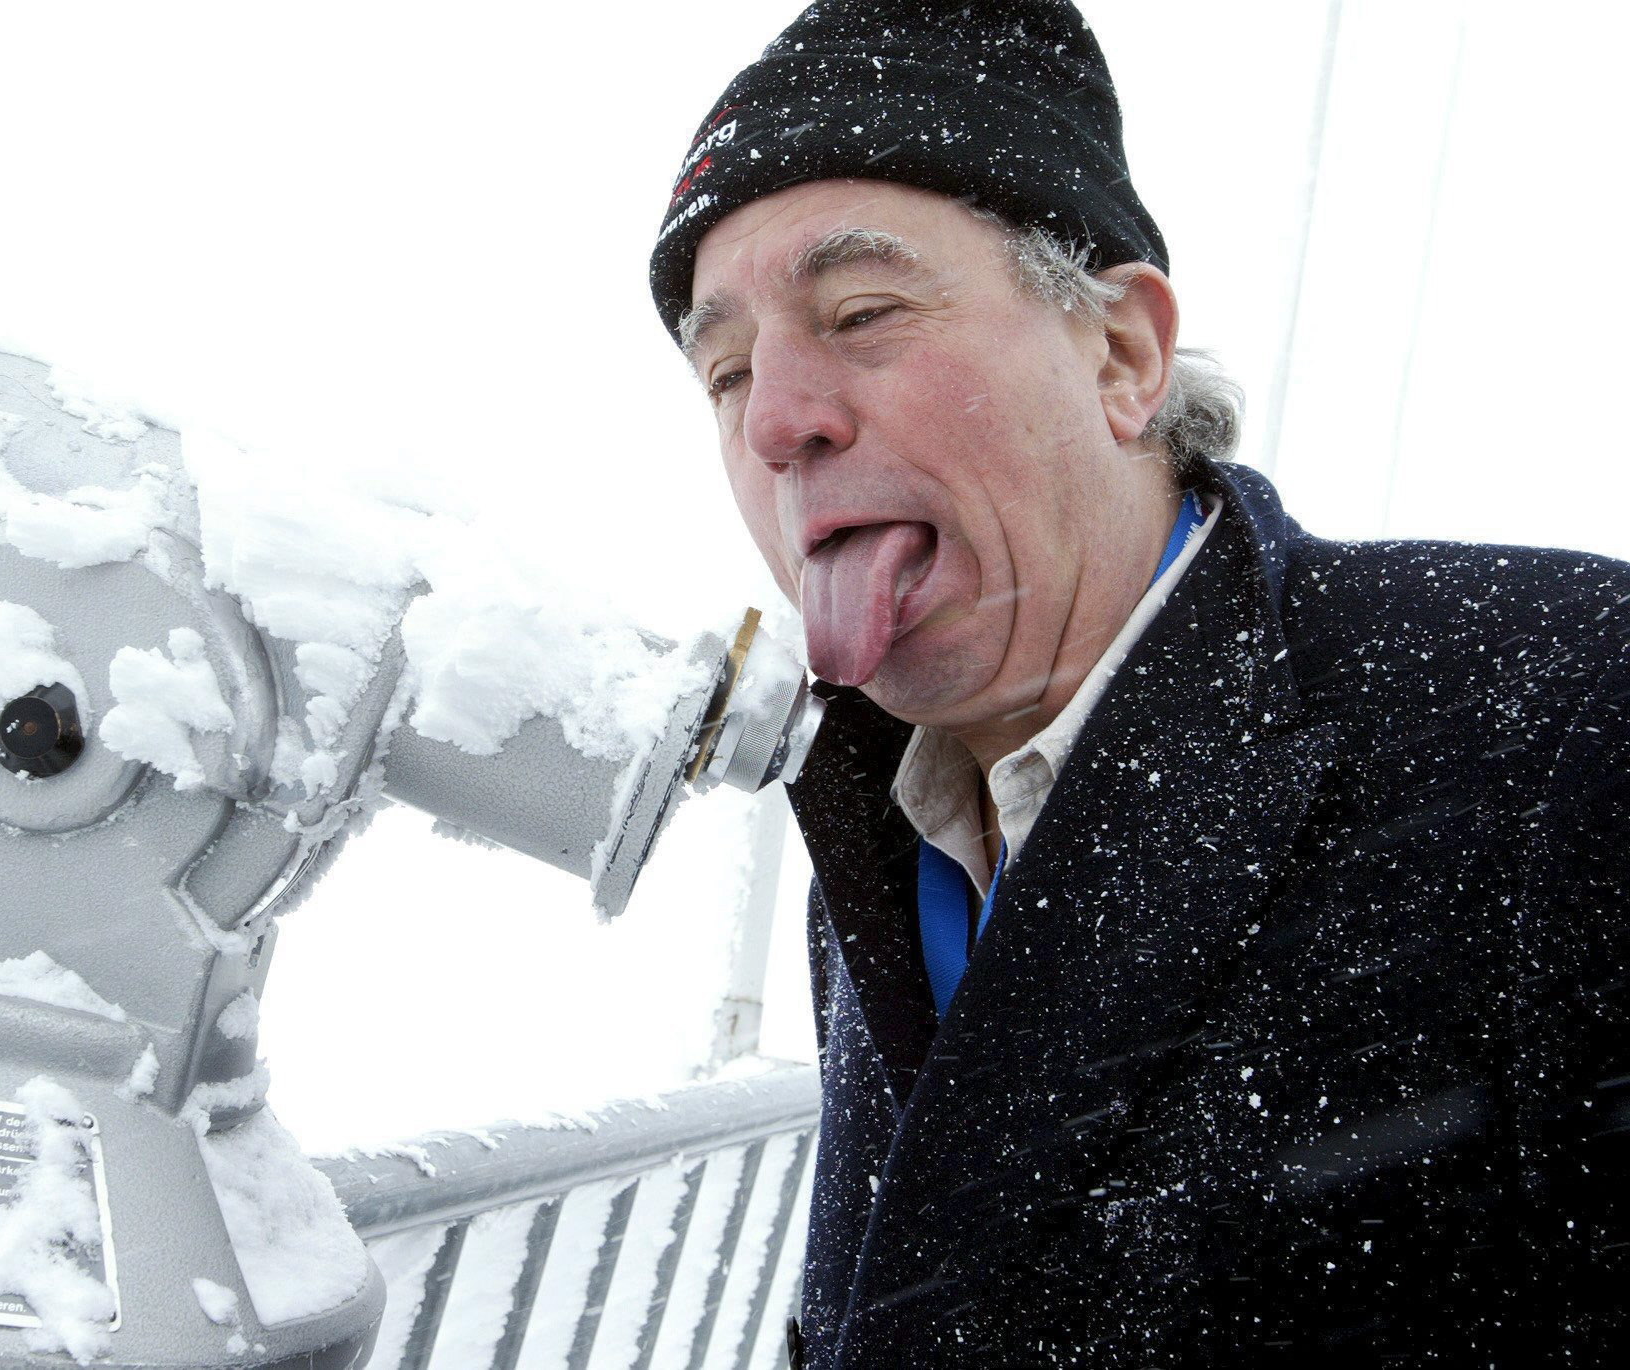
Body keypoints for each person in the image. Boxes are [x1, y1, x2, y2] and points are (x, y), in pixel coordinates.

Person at [647, 2, 1630, 1365]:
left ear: (1123, 355)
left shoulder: (1571, 712)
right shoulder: (880, 850)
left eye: (863, 313)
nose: (773, 421)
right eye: (726, 372)